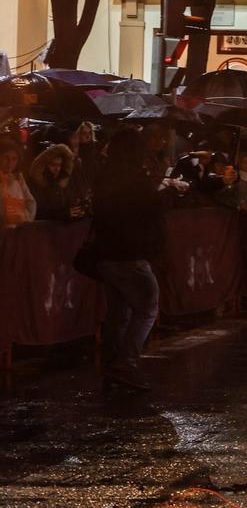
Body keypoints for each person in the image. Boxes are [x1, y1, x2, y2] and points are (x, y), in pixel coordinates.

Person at [92, 127, 166, 391]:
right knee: (147, 308)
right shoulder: (138, 181)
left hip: (106, 255)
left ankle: (112, 364)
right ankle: (126, 363)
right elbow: (153, 216)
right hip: (132, 255)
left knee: (118, 312)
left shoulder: (103, 177)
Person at [28, 144, 87, 221]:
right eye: (53, 165)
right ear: (44, 165)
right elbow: (35, 212)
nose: (57, 169)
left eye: (59, 165)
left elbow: (66, 207)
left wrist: (76, 212)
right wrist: (62, 214)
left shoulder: (61, 184)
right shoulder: (35, 185)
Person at [0, 138, 36, 227]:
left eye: (14, 159)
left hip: (18, 230)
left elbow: (31, 202)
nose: (10, 163)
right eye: (6, 158)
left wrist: (25, 219)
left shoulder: (19, 178)